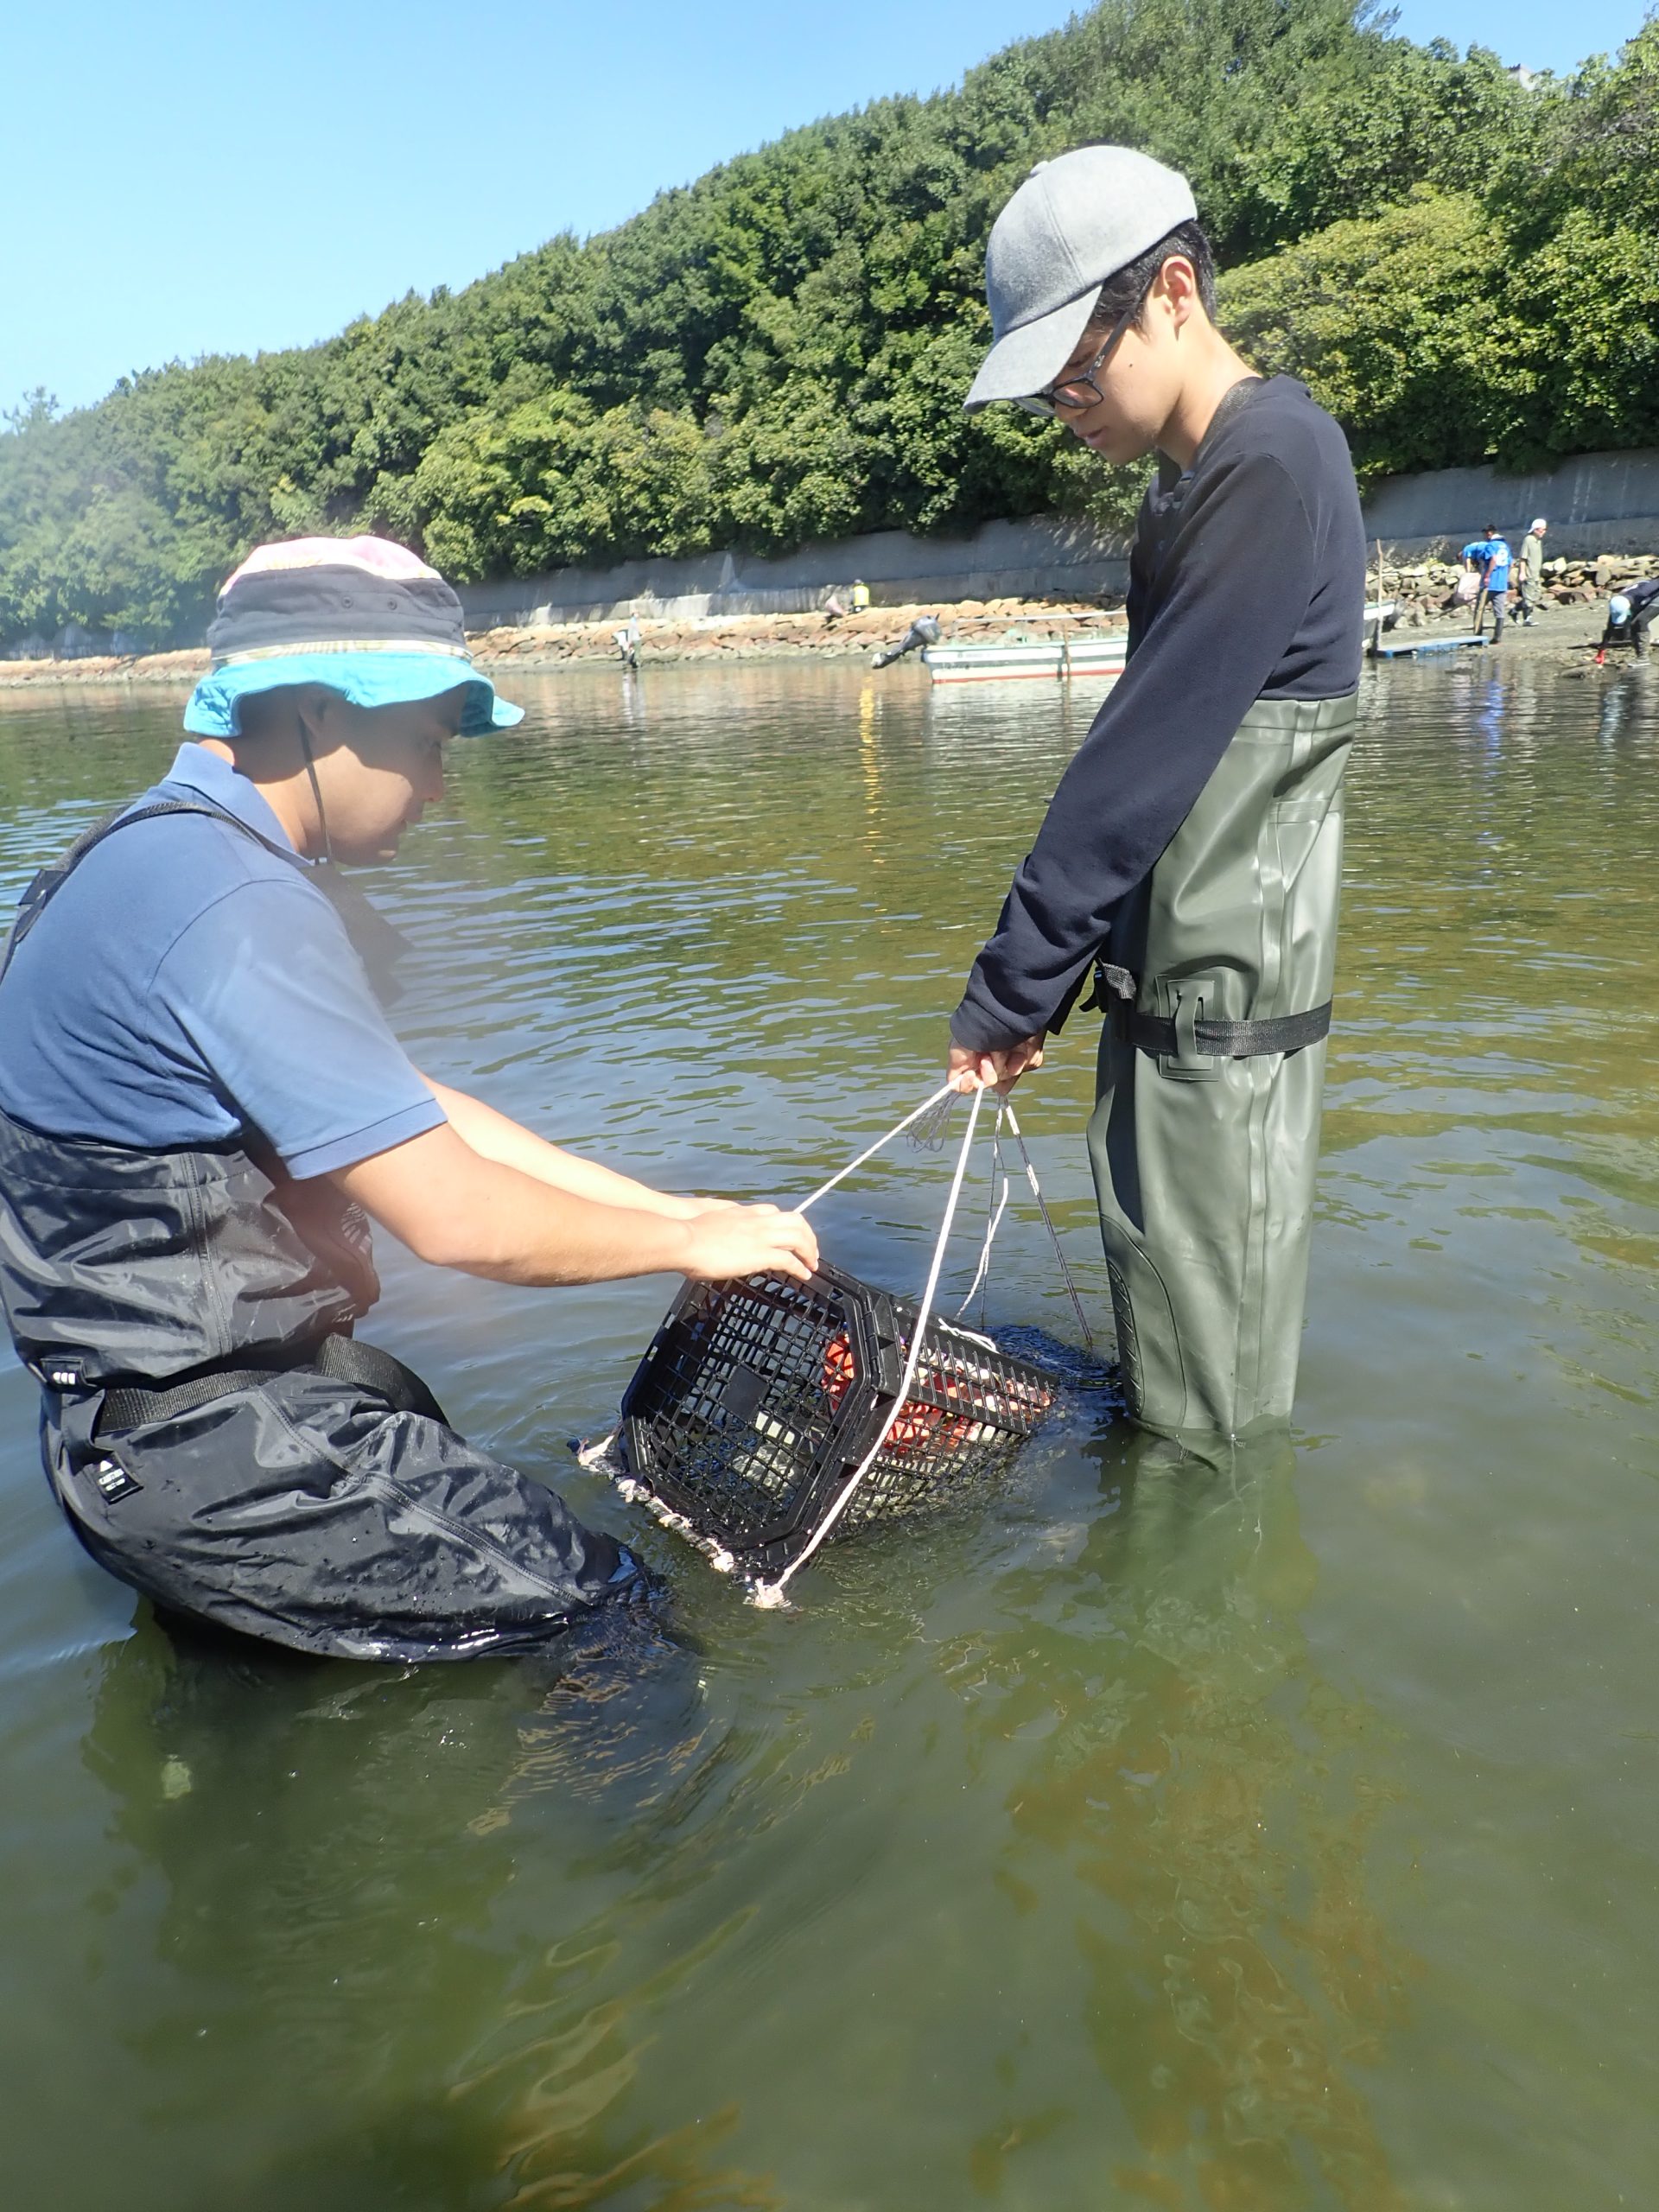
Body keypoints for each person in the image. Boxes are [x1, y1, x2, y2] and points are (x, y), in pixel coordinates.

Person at [0, 536, 817, 1661]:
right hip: (221, 1454)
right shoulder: (235, 900)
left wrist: (686, 1219)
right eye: (427, 744)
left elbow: (417, 1111)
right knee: (609, 1610)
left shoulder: (143, 857)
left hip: (133, 1442)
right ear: (319, 715)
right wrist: (685, 1247)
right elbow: (457, 1218)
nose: (438, 784)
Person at [946, 145, 1363, 1439]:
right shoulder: (1182, 489)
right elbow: (1156, 757)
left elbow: (1137, 764)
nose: (1064, 407)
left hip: (1221, 1044)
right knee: (1161, 1369)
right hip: (1159, 1016)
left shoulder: (1272, 465)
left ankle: (1204, 1635)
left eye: (1076, 372)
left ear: (1173, 292)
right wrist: (1059, 992)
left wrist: (1013, 980)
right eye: (1048, 389)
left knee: (1211, 1426)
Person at [1461, 525, 1513, 638]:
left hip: (1489, 584)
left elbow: (1493, 559)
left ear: (1489, 534)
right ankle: (1497, 637)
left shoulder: (1490, 546)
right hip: (1501, 584)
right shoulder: (1505, 546)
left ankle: (1477, 635)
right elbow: (1511, 564)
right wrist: (1505, 575)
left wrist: (1487, 575)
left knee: (1479, 609)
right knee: (1500, 612)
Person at [1597, 573, 1659, 660]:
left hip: (1656, 595)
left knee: (1641, 621)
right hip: (1639, 601)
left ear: (1628, 608)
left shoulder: (1643, 592)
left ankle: (1643, 658)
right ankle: (1639, 653)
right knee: (1634, 623)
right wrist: (1602, 650)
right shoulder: (1617, 604)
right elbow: (1610, 628)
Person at [1516, 518, 1547, 626]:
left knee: (1535, 595)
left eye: (1545, 530)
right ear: (1536, 530)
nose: (1544, 532)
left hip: (1536, 574)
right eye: (1542, 530)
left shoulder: (1538, 541)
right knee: (1528, 598)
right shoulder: (1528, 540)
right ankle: (1527, 620)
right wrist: (1522, 573)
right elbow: (1523, 558)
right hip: (1528, 574)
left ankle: (1514, 611)